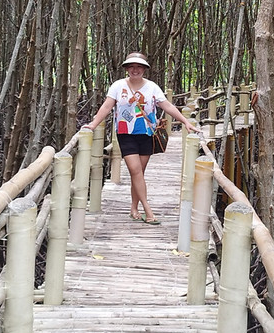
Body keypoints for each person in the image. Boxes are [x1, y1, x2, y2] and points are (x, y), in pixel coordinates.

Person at [82, 52, 199, 225]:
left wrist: (185, 122)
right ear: (127, 68)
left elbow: (166, 105)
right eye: (132, 66)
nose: (135, 70)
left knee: (139, 174)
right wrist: (93, 124)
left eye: (139, 67)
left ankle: (134, 208)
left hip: (147, 134)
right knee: (135, 170)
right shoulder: (118, 86)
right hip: (125, 133)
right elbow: (107, 106)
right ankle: (148, 210)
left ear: (144, 69)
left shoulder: (152, 87)